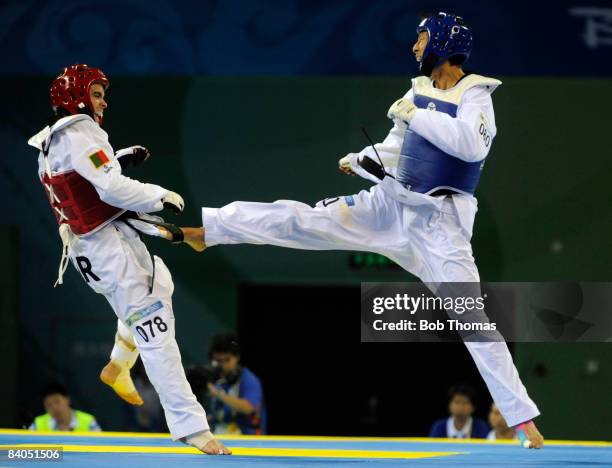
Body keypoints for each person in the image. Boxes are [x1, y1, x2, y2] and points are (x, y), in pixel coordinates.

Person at [168, 12, 544, 449]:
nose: (415, 47)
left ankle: (523, 420)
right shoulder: (418, 90)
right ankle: (212, 230)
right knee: (303, 219)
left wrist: (415, 116)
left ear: (442, 41)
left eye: (421, 39)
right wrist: (363, 156)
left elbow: (470, 144)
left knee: (472, 318)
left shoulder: (476, 94)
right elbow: (397, 147)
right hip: (390, 203)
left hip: (439, 224)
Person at [27, 64, 228, 455]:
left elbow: (85, 182)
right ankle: (193, 428)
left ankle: (118, 364)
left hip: (95, 247)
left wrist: (118, 156)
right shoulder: (81, 132)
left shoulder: (52, 144)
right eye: (97, 94)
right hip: (108, 250)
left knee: (161, 283)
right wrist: (159, 195)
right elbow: (111, 187)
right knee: (157, 336)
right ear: (77, 96)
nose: (103, 102)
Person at [206, 335, 266, 435]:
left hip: (249, 439)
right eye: (218, 361)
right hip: (219, 436)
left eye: (227, 360)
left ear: (237, 357)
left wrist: (218, 394)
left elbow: (248, 408)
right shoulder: (212, 378)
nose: (223, 365)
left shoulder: (249, 379)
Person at [29, 382, 100, 432]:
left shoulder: (88, 421)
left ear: (67, 400)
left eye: (57, 401)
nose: (54, 407)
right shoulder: (37, 424)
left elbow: (99, 447)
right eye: (48, 404)